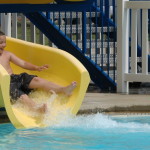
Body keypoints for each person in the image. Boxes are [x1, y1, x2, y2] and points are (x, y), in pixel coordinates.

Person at [0, 31, 77, 113]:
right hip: (4, 85)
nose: (4, 45)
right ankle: (37, 108)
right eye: (1, 43)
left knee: (37, 80)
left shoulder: (7, 54)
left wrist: (36, 67)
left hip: (15, 78)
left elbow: (23, 63)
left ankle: (63, 89)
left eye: (5, 42)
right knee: (21, 95)